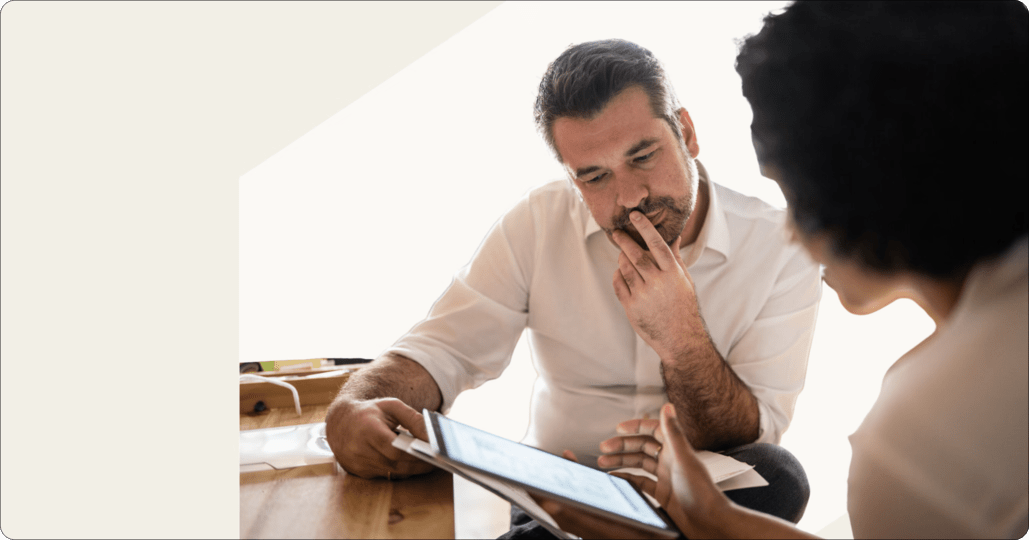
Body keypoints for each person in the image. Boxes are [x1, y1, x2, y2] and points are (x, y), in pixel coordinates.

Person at [540, 2, 1029, 538]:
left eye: (791, 192)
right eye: (593, 175)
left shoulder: (917, 443)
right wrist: (717, 520)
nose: (793, 231)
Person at [324, 38, 823, 532]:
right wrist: (353, 407)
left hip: (696, 486)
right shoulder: (539, 221)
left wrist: (682, 337)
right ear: (571, 175)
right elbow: (440, 351)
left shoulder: (782, 248)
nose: (630, 198)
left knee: (779, 475)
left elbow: (751, 432)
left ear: (687, 134)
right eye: (595, 177)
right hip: (564, 479)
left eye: (643, 156)